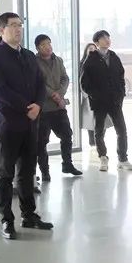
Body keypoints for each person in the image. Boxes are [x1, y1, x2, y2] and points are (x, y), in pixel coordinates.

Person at [0, 13, 54, 240]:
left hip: (30, 122)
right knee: (5, 173)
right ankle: (6, 219)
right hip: (8, 123)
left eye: (20, 25)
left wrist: (38, 105)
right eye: (13, 25)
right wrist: (27, 107)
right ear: (2, 30)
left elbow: (40, 83)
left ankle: (29, 215)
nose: (18, 29)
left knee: (27, 171)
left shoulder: (28, 55)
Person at [80, 30, 132, 173]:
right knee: (99, 132)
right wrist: (95, 96)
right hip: (99, 102)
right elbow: (84, 83)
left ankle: (123, 159)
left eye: (108, 37)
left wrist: (121, 94)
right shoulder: (90, 60)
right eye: (104, 38)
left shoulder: (114, 57)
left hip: (115, 101)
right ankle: (103, 157)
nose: (107, 40)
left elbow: (121, 77)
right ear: (96, 42)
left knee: (121, 130)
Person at [34, 34, 83, 180]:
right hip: (44, 109)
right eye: (44, 45)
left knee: (67, 135)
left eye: (49, 43)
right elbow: (38, 83)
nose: (48, 47)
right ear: (38, 48)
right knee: (42, 142)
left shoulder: (58, 60)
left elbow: (65, 78)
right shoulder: (34, 62)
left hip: (59, 107)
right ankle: (45, 171)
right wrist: (53, 94)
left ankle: (67, 164)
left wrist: (60, 93)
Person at [79, 42, 98, 148]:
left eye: (94, 48)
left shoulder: (99, 62)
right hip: (88, 96)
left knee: (101, 119)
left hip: (99, 96)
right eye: (90, 48)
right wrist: (86, 94)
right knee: (90, 120)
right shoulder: (82, 63)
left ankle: (99, 140)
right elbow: (80, 81)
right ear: (86, 51)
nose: (92, 50)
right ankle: (92, 142)